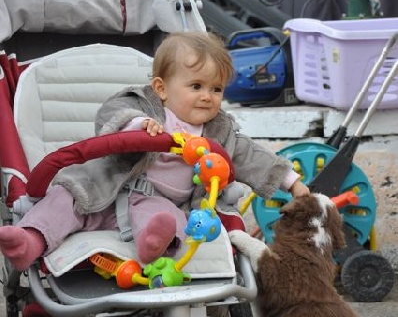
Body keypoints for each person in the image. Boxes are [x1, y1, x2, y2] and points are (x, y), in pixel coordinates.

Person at [0, 31, 309, 270]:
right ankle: (31, 239)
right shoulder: (142, 105)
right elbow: (112, 114)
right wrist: (138, 125)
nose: (208, 97)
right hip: (105, 190)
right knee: (64, 198)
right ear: (161, 88)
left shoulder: (219, 131)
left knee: (167, 219)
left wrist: (292, 182)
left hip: (156, 202)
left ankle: (153, 245)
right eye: (197, 87)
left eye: (216, 89)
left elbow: (250, 156)